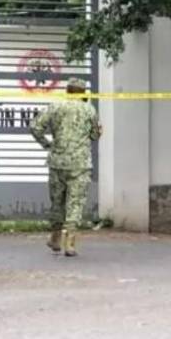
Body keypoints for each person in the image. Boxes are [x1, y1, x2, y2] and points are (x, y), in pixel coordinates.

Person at [30, 78, 100, 257]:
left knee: (57, 201)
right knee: (75, 202)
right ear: (83, 92)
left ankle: (55, 238)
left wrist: (47, 144)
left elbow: (35, 126)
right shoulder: (89, 110)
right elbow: (95, 135)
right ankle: (70, 243)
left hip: (57, 162)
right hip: (80, 164)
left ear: (67, 90)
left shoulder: (55, 106)